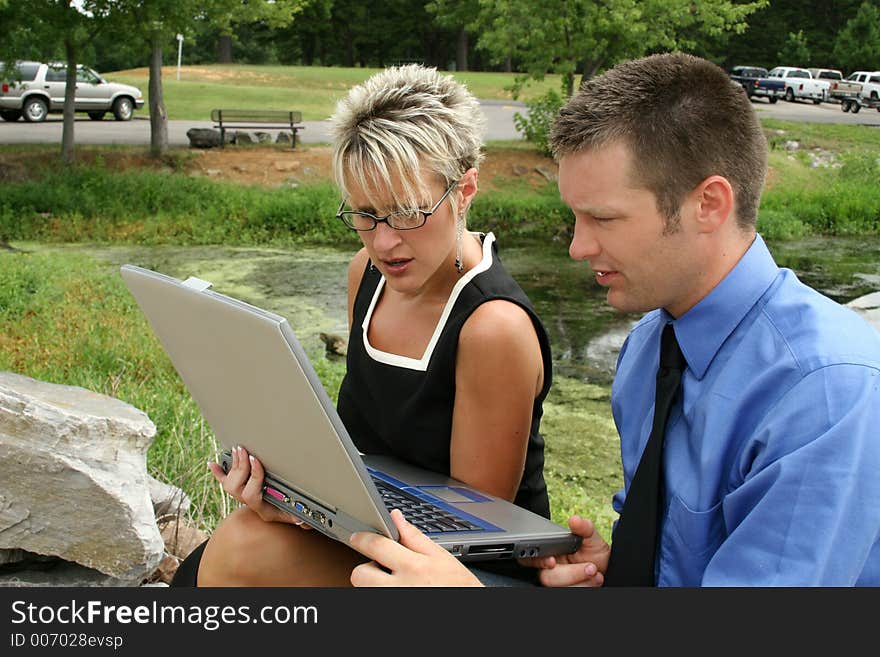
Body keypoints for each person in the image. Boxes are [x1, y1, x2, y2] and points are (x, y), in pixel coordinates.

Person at [349, 52, 880, 587]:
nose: (578, 247)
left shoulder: (826, 395)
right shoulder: (650, 346)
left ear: (709, 204)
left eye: (603, 218)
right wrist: (619, 567)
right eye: (575, 217)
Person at [171, 64, 553, 586]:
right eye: (365, 214)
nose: (385, 243)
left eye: (408, 213)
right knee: (231, 546)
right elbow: (363, 443)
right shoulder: (367, 273)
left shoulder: (493, 328)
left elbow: (466, 530)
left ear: (465, 191)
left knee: (241, 551)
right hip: (371, 529)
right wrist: (287, 493)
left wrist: (322, 519)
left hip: (461, 575)